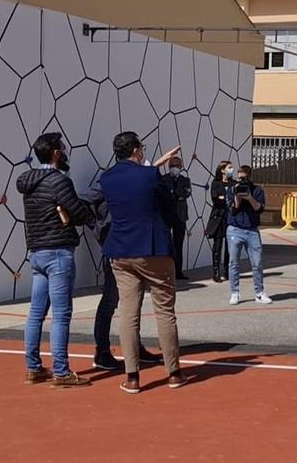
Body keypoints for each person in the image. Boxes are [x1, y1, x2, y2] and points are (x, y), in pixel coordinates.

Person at [100, 132, 188, 394]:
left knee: (128, 312)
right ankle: (173, 373)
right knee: (164, 310)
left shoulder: (107, 178)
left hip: (121, 249)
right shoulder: (150, 176)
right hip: (153, 247)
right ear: (137, 150)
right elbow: (168, 206)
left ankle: (132, 376)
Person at [17, 132, 95, 388]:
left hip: (37, 251)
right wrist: (86, 212)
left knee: (36, 313)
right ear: (56, 153)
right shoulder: (59, 181)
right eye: (62, 148)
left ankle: (33, 367)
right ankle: (61, 371)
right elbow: (78, 211)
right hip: (59, 252)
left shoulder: (28, 182)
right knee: (61, 314)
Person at [83, 189, 165, 371]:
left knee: (134, 301)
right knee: (110, 300)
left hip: (134, 248)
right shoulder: (106, 187)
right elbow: (80, 200)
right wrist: (96, 226)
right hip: (114, 250)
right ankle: (102, 350)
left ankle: (135, 347)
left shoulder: (131, 188)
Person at [226, 165, 271, 306]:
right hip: (235, 229)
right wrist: (238, 197)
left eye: (244, 178)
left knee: (257, 263)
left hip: (252, 230)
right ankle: (235, 292)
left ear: (250, 177)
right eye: (239, 177)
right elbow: (232, 209)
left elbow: (259, 208)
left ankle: (259, 292)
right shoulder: (232, 189)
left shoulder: (257, 190)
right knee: (234, 263)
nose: (241, 180)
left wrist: (249, 197)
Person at [161, 157, 193, 280]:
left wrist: (174, 192)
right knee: (165, 245)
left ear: (181, 166)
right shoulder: (164, 179)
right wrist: (177, 194)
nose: (174, 167)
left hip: (180, 216)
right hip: (166, 216)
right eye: (172, 165)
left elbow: (186, 193)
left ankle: (178, 271)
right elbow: (164, 195)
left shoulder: (185, 180)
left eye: (177, 165)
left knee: (178, 245)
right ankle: (165, 272)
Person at [203, 160, 234, 283]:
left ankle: (227, 271)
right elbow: (215, 199)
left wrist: (224, 197)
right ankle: (216, 272)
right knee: (218, 245)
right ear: (222, 170)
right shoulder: (216, 183)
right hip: (219, 216)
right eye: (229, 167)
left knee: (229, 247)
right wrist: (225, 198)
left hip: (231, 216)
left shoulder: (233, 183)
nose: (231, 170)